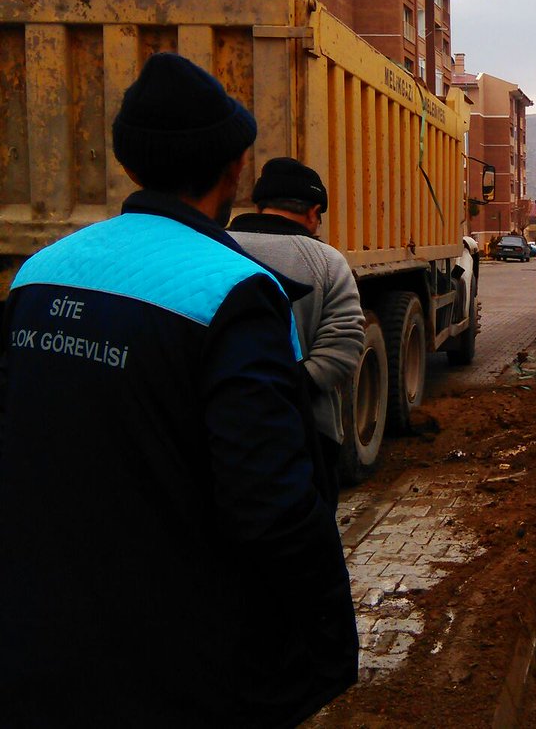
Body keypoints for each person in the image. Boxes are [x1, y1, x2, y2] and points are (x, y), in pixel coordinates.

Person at [0, 53, 358, 726]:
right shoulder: (236, 293)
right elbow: (270, 502)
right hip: (175, 662)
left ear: (130, 166)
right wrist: (326, 643)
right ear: (234, 168)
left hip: (41, 642)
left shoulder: (37, 276)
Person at [229, 157, 366, 500]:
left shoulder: (214, 248)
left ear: (259, 206)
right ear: (312, 212)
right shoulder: (326, 261)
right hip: (306, 432)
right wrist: (291, 388)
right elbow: (345, 343)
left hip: (223, 426)